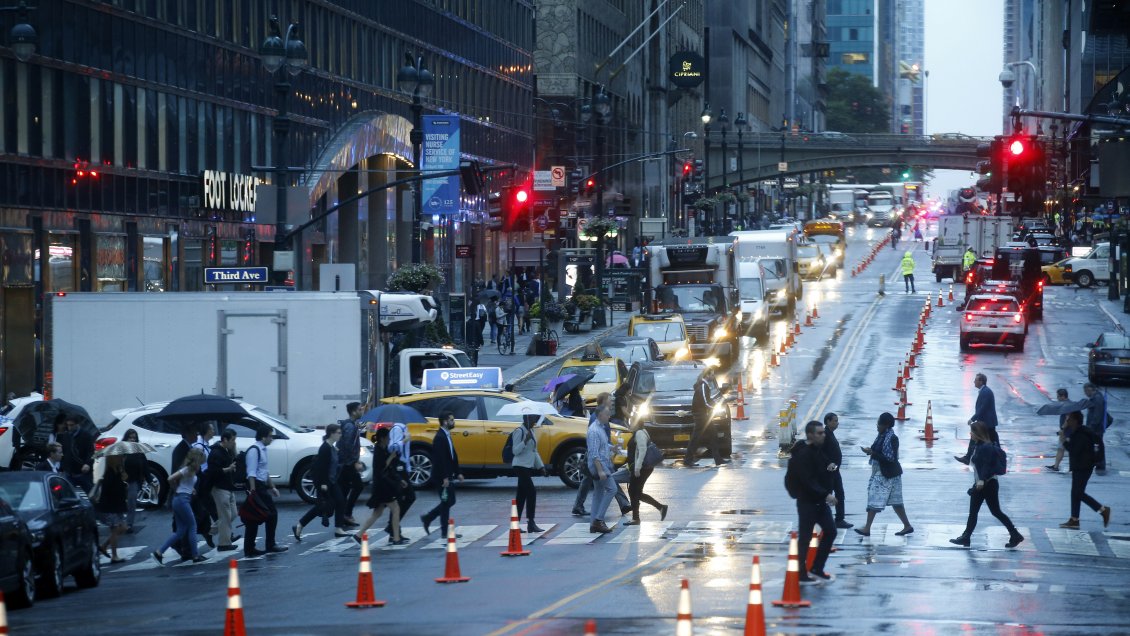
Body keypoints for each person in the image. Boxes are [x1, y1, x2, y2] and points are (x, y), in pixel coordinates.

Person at [949, 421, 1024, 548]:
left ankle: (1015, 534)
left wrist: (981, 481)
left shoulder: (985, 448)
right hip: (982, 482)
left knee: (995, 511)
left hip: (988, 484)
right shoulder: (978, 445)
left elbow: (986, 466)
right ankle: (966, 537)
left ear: (977, 433)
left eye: (971, 432)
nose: (970, 434)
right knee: (977, 512)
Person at [788, 420, 838, 582]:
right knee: (805, 538)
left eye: (823, 432)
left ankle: (817, 567)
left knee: (830, 531)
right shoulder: (803, 454)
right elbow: (808, 481)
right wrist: (826, 495)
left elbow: (821, 470)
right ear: (810, 435)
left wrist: (829, 468)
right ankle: (802, 573)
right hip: (807, 502)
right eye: (819, 433)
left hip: (819, 502)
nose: (823, 435)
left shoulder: (817, 450)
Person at [855, 412, 914, 537]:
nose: (877, 426)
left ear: (886, 425)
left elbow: (890, 458)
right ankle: (907, 526)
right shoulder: (881, 436)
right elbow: (876, 450)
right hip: (882, 472)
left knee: (874, 497)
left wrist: (873, 453)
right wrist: (869, 451)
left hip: (887, 474)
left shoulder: (892, 438)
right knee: (896, 502)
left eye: (879, 424)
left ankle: (867, 528)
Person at [572, 393, 630, 517]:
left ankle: (582, 509)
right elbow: (595, 445)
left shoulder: (603, 417)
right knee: (610, 481)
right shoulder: (596, 420)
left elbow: (603, 440)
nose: (612, 402)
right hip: (597, 457)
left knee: (590, 482)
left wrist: (612, 448)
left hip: (600, 456)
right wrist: (600, 467)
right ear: (603, 402)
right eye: (610, 400)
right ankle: (622, 505)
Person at [293, 424, 350, 541]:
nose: (340, 435)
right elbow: (322, 468)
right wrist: (323, 484)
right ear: (332, 434)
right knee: (321, 506)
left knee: (340, 501)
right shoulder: (325, 449)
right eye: (339, 433)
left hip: (332, 481)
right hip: (325, 482)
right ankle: (300, 524)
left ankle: (338, 528)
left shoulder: (332, 448)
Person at [353, 426, 408, 545]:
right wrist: (391, 457)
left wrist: (399, 479)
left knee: (377, 513)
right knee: (396, 509)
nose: (389, 439)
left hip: (381, 486)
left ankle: (358, 535)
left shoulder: (382, 448)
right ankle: (396, 538)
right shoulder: (378, 450)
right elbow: (382, 467)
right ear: (382, 438)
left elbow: (389, 468)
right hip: (383, 487)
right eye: (388, 437)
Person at [152, 448, 208, 564]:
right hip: (182, 500)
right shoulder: (186, 470)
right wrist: (177, 489)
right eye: (201, 462)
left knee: (180, 531)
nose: (201, 466)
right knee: (192, 526)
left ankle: (159, 552)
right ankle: (195, 556)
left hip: (180, 499)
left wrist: (189, 489)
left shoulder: (190, 471)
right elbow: (170, 478)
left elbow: (184, 483)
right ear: (196, 460)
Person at [1059, 412, 1111, 529]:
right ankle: (1074, 519)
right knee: (1075, 493)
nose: (1067, 421)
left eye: (1069, 419)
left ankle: (1102, 510)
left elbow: (1074, 450)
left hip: (1083, 467)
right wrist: (1065, 430)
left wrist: (1064, 440)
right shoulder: (1077, 431)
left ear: (1075, 421)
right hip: (1081, 466)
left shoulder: (1081, 434)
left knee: (1078, 493)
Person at [244, 425, 288, 557]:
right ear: (263, 437)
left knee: (258, 516)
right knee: (269, 514)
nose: (272, 439)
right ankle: (267, 545)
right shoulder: (254, 450)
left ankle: (252, 548)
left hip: (261, 485)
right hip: (256, 486)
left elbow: (265, 471)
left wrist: (272, 486)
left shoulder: (263, 450)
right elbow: (251, 472)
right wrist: (253, 491)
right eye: (270, 436)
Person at [420, 412, 464, 535]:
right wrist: (445, 477)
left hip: (447, 474)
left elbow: (452, 456)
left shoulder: (446, 435)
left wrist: (458, 472)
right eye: (451, 420)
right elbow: (440, 459)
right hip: (441, 476)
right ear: (445, 422)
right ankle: (443, 530)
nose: (453, 422)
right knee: (447, 502)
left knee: (449, 501)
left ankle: (428, 518)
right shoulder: (439, 438)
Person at [684, 367, 731, 467]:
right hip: (701, 416)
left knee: (712, 435)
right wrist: (714, 407)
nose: (713, 376)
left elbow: (708, 400)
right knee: (696, 438)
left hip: (703, 415)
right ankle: (688, 459)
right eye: (712, 374)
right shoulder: (703, 386)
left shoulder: (704, 385)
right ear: (707, 375)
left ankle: (717, 459)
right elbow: (705, 402)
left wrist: (715, 403)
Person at [624, 415, 667, 525]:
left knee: (634, 491)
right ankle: (659, 508)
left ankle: (637, 518)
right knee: (636, 492)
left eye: (631, 421)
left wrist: (637, 467)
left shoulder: (639, 433)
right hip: (642, 467)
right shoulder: (640, 432)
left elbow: (642, 451)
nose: (629, 423)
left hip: (642, 468)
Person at [511, 414, 546, 533]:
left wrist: (541, 466)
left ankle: (515, 524)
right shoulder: (519, 431)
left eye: (535, 418)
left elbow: (534, 451)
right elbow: (515, 451)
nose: (535, 420)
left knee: (521, 496)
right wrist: (525, 440)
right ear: (526, 418)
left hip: (528, 466)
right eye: (532, 418)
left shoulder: (531, 431)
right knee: (531, 492)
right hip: (520, 466)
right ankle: (531, 523)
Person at [207, 429, 241, 552]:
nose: (234, 443)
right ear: (225, 439)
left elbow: (235, 460)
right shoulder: (215, 453)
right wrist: (228, 468)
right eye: (232, 440)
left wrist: (234, 449)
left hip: (229, 487)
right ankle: (224, 544)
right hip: (220, 488)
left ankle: (209, 531)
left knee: (232, 514)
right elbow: (213, 472)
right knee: (225, 516)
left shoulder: (227, 451)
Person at [587, 404, 617, 534]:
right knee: (612, 489)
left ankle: (594, 523)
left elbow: (602, 446)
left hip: (602, 463)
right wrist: (600, 470)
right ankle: (598, 520)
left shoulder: (601, 427)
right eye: (607, 414)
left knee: (598, 493)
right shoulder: (594, 430)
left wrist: (612, 448)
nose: (609, 416)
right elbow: (594, 453)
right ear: (600, 415)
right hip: (599, 465)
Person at [94, 454, 130, 563]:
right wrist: (121, 485)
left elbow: (121, 483)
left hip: (117, 506)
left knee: (123, 528)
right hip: (110, 506)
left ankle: (104, 546)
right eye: (120, 457)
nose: (122, 458)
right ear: (113, 459)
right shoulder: (109, 473)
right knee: (115, 530)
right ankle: (114, 556)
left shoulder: (117, 470)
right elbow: (110, 490)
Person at [956, 373, 998, 464]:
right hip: (986, 422)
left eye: (976, 380)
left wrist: (972, 419)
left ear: (981, 381)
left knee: (990, 440)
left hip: (987, 423)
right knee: (982, 440)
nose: (974, 382)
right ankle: (969, 457)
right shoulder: (984, 391)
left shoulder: (986, 392)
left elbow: (983, 408)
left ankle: (969, 458)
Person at [384, 421, 415, 538]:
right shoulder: (397, 429)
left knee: (403, 499)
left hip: (403, 466)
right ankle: (392, 528)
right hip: (398, 467)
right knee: (406, 498)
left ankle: (392, 528)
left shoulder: (403, 428)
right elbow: (392, 447)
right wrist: (405, 440)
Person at [336, 402, 365, 526]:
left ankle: (343, 516)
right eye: (359, 409)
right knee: (357, 486)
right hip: (347, 464)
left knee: (344, 489)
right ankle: (346, 514)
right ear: (353, 412)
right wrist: (355, 462)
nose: (361, 411)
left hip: (345, 463)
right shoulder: (349, 426)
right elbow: (348, 446)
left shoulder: (351, 425)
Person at [823, 413, 852, 528]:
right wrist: (828, 464)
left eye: (837, 420)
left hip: (835, 470)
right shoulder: (825, 435)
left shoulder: (830, 434)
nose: (837, 423)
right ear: (828, 422)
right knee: (829, 495)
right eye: (835, 421)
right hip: (830, 471)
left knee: (839, 493)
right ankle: (826, 519)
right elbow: (821, 453)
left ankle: (839, 519)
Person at [120, 429, 149, 532]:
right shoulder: (121, 450)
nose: (132, 439)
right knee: (119, 503)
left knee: (131, 502)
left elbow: (145, 466)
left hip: (134, 480)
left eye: (134, 438)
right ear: (126, 438)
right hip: (121, 481)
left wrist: (149, 479)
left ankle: (129, 524)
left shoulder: (139, 451)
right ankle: (119, 523)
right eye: (130, 437)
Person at [1078, 383, 1108, 471]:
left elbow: (1097, 415)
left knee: (1097, 445)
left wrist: (1091, 427)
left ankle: (1099, 463)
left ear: (1090, 389)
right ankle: (1098, 463)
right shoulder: (1095, 397)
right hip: (1095, 427)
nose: (1085, 393)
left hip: (1096, 428)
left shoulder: (1097, 398)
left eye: (1085, 391)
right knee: (1096, 445)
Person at [59, 416, 94, 492]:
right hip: (69, 472)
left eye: (71, 425)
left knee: (90, 493)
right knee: (67, 493)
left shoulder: (86, 435)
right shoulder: (66, 436)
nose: (69, 427)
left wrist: (87, 463)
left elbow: (91, 451)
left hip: (83, 471)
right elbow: (64, 452)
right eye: (68, 425)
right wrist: (62, 467)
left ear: (77, 424)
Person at [1046, 388, 1071, 472]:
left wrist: (1063, 429)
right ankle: (1056, 466)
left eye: (1058, 397)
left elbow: (1068, 418)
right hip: (1065, 431)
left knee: (1069, 449)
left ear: (1063, 396)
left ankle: (1071, 466)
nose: (1057, 398)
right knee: (1061, 448)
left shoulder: (1067, 405)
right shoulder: (1067, 404)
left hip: (1067, 432)